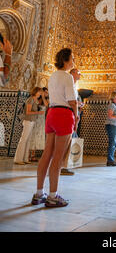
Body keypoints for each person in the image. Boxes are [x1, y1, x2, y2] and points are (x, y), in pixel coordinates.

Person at [32, 48, 79, 207]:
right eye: (72, 58)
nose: (73, 61)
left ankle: (39, 193)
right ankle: (53, 196)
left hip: (51, 114)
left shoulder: (52, 76)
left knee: (47, 154)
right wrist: (76, 117)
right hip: (64, 115)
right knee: (58, 158)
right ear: (66, 60)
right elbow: (72, 101)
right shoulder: (67, 77)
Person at [60, 68, 84, 175]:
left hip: (73, 115)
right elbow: (70, 101)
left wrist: (78, 107)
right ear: (72, 73)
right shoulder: (68, 84)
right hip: (69, 115)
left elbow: (74, 102)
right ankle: (62, 167)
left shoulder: (74, 86)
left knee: (72, 140)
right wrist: (75, 114)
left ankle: (67, 165)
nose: (80, 74)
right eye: (78, 73)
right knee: (67, 141)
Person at [14, 87, 45, 164]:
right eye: (39, 92)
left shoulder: (36, 100)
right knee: (23, 140)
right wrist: (38, 113)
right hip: (28, 120)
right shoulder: (30, 99)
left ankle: (25, 159)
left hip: (32, 121)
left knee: (28, 140)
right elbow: (28, 112)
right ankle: (18, 159)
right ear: (36, 92)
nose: (40, 94)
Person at [28, 88, 49, 162]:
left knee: (37, 136)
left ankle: (33, 155)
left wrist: (43, 97)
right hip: (35, 118)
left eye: (47, 92)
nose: (46, 93)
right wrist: (41, 96)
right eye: (45, 92)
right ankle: (28, 155)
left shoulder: (46, 99)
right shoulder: (36, 99)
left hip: (41, 120)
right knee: (32, 135)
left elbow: (46, 105)